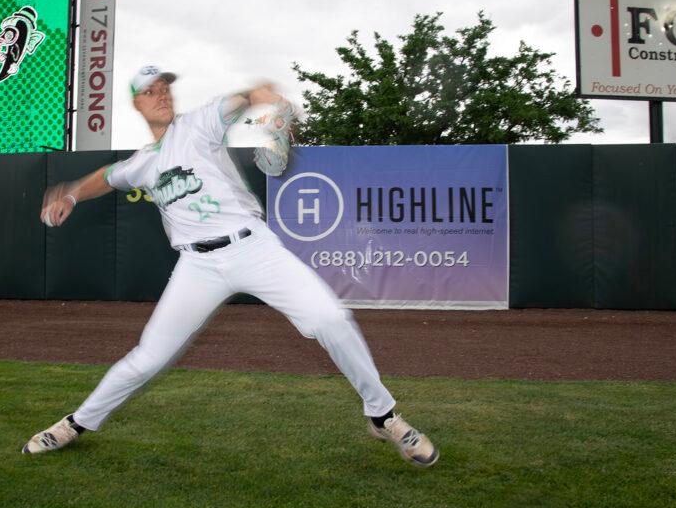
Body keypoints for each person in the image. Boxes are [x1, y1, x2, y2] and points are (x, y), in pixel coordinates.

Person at [23, 65, 438, 467]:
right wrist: (72, 194)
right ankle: (75, 423)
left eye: (165, 87)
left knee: (330, 319)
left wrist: (272, 102)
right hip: (197, 265)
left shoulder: (200, 123)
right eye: (151, 91)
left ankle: (382, 416)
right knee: (148, 357)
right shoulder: (142, 162)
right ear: (137, 103)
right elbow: (108, 176)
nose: (161, 95)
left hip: (252, 249)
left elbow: (249, 95)